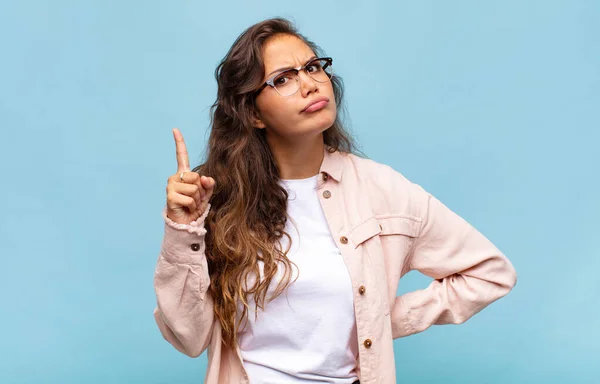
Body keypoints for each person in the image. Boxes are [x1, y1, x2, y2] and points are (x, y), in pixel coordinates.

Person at [153, 17, 517, 384]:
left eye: (312, 67)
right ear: (252, 113)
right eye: (283, 79)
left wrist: (380, 316)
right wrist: (183, 230)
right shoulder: (216, 195)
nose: (309, 84)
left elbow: (490, 273)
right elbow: (188, 336)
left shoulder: (380, 189)